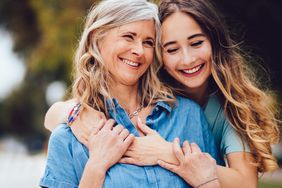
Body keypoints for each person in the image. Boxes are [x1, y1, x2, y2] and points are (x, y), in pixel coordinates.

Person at [45, 0, 280, 187]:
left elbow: (244, 184)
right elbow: (56, 116)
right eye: (128, 36)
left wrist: (169, 153)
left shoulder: (195, 114)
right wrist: (94, 160)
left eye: (148, 42)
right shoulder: (73, 131)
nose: (138, 50)